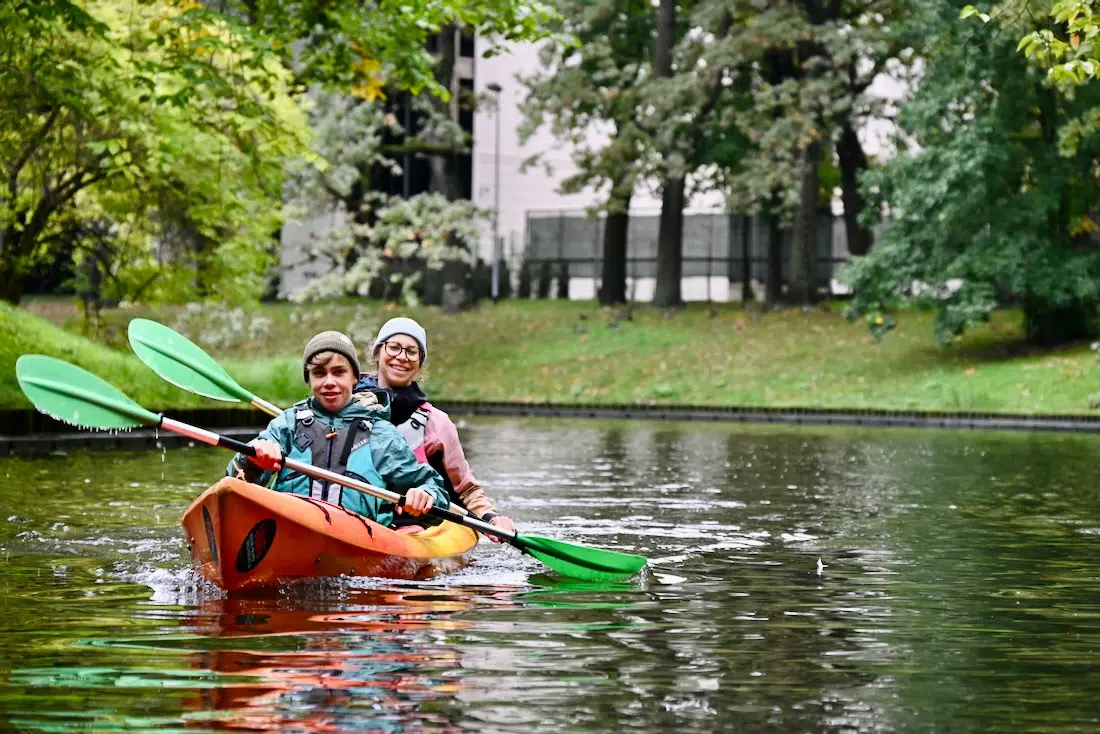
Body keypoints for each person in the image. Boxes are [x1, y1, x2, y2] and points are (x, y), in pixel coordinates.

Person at [227, 330, 448, 527]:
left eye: (339, 372)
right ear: (309, 380)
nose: (329, 381)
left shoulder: (381, 434)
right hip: (291, 530)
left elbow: (434, 490)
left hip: (357, 544)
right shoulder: (287, 424)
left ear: (354, 378)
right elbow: (234, 482)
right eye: (320, 373)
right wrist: (253, 461)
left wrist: (425, 494)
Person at [355, 317, 518, 541]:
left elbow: (465, 489)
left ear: (420, 363)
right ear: (377, 353)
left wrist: (490, 518)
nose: (402, 357)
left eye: (412, 352)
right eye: (393, 347)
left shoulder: (436, 423)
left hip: (415, 526)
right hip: (357, 517)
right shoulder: (347, 406)